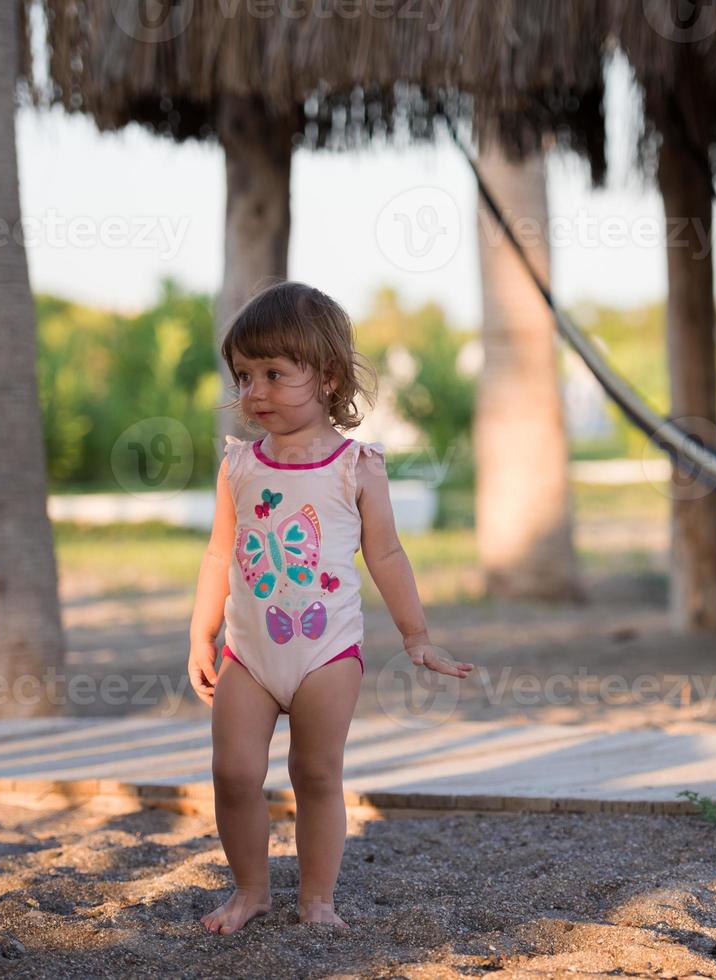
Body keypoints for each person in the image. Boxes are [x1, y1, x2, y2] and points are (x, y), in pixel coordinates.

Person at [186, 280, 473, 933]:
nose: (252, 390)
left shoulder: (356, 467)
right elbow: (216, 555)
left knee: (314, 773)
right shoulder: (238, 465)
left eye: (273, 374)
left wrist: (416, 636)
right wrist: (201, 635)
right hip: (248, 653)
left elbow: (388, 556)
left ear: (327, 377)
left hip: (326, 653)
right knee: (232, 772)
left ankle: (316, 899)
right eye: (243, 375)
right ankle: (250, 891)